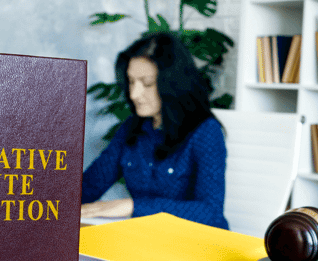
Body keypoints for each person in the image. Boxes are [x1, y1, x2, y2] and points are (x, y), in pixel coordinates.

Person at [80, 32, 229, 229]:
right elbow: (88, 187)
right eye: (131, 82)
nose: (134, 94)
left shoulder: (206, 131)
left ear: (173, 83)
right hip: (148, 239)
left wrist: (133, 206)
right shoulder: (131, 128)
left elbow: (210, 212)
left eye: (147, 83)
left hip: (197, 244)